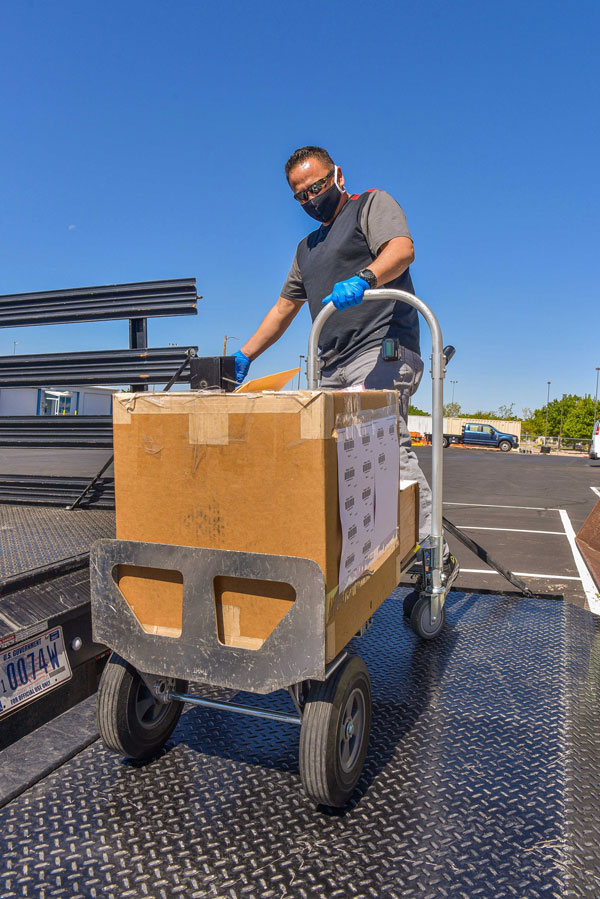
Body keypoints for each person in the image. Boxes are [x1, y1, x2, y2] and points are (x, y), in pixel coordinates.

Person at [234, 145, 457, 586]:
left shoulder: (370, 206)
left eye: (316, 186)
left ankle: (436, 553)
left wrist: (366, 278)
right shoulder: (306, 249)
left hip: (383, 348)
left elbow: (401, 249)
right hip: (331, 363)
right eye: (301, 195)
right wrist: (245, 355)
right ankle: (352, 556)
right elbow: (283, 309)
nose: (311, 198)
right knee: (329, 460)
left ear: (337, 175)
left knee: (382, 443)